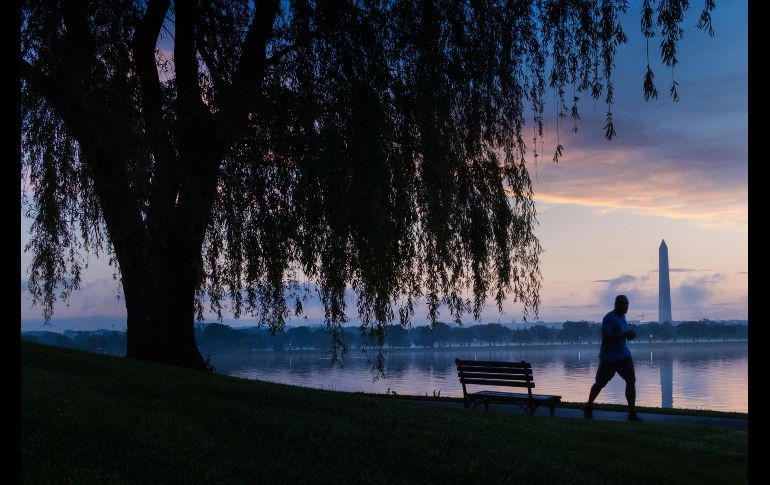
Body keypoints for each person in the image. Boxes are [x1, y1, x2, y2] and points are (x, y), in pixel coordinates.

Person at [583, 294, 642, 421]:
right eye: (623, 304)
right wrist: (624, 334)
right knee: (600, 383)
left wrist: (629, 335)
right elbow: (607, 337)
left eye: (627, 304)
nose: (626, 307)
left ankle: (632, 413)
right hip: (609, 358)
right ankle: (588, 405)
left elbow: (622, 335)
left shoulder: (622, 318)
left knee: (631, 380)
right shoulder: (609, 318)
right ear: (616, 305)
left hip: (624, 356)